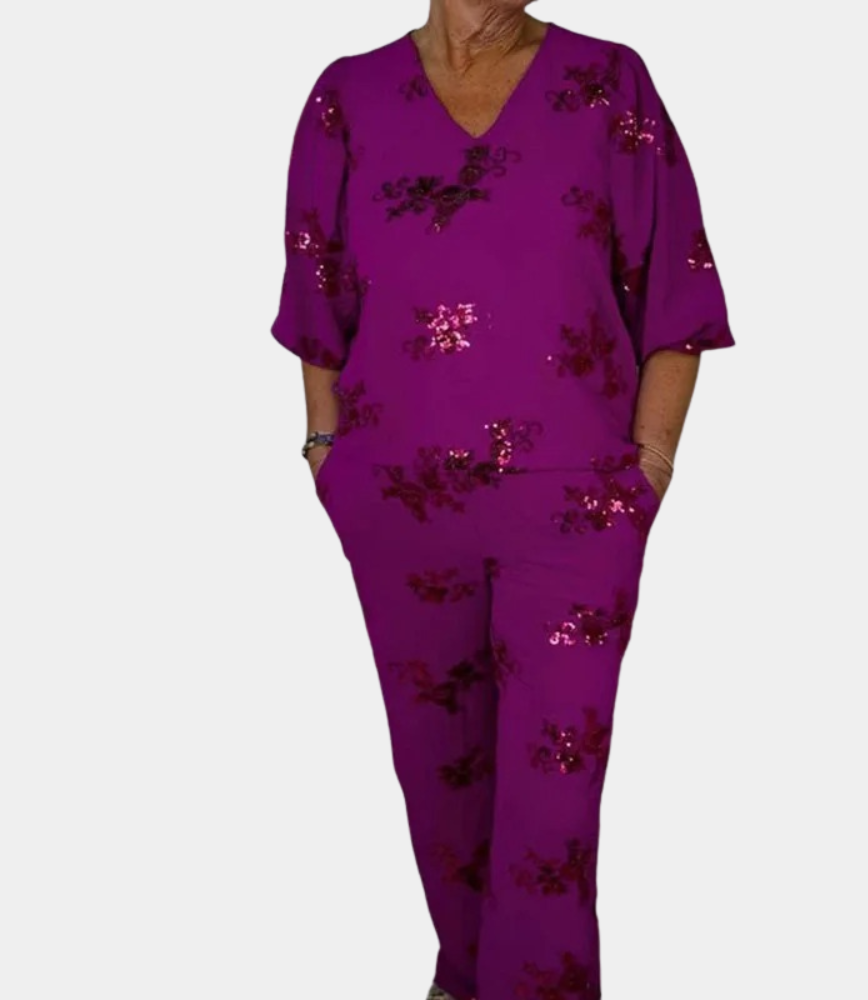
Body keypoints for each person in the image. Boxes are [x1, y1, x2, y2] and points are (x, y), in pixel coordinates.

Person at [269, 2, 735, 997]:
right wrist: (325, 451)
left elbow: (677, 292)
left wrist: (648, 467)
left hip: (574, 509)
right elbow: (317, 302)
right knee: (443, 784)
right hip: (396, 501)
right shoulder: (347, 97)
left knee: (550, 813)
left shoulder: (606, 83)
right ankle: (467, 977)